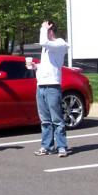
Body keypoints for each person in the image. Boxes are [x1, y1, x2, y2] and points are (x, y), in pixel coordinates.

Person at [33, 20, 71, 158]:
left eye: (43, 29)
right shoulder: (46, 48)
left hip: (53, 86)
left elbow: (44, 42)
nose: (42, 32)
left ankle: (61, 147)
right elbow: (49, 65)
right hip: (41, 85)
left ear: (50, 30)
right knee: (45, 120)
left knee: (56, 119)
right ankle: (47, 146)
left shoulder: (60, 43)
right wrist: (35, 67)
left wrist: (43, 29)